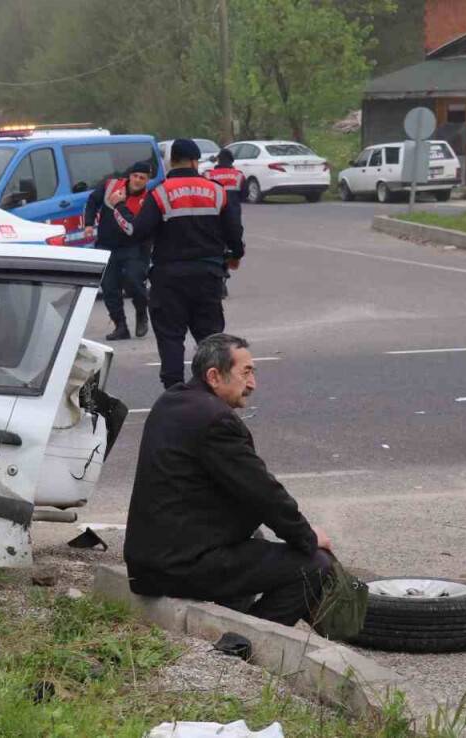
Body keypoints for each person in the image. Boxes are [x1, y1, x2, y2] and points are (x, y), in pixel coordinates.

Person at [124, 333, 335, 627]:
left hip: (151, 558)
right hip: (178, 565)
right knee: (314, 565)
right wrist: (308, 538)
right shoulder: (216, 421)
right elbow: (264, 494)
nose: (252, 384)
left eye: (253, 372)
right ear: (214, 376)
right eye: (245, 373)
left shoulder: (171, 401)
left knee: (254, 540)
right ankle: (247, 641)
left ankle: (234, 620)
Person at [108, 138, 244, 389]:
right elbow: (234, 232)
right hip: (208, 276)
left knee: (171, 339)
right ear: (195, 161)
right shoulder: (216, 191)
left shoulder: (159, 193)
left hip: (169, 280)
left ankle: (175, 395)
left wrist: (119, 207)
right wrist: (235, 256)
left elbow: (135, 231)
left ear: (171, 162)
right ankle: (211, 394)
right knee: (211, 341)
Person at [83, 160, 153, 341]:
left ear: (147, 180)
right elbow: (92, 201)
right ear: (129, 176)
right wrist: (89, 224)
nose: (137, 180)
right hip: (107, 245)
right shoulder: (111, 186)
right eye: (135, 176)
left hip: (134, 247)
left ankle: (141, 312)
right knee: (109, 287)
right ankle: (120, 326)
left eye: (142, 178)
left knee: (133, 281)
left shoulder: (149, 199)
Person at [205, 149, 246, 299]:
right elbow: (245, 195)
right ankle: (223, 278)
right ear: (232, 161)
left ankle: (219, 282)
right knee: (232, 248)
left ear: (218, 161)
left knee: (215, 249)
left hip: (214, 218)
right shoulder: (239, 176)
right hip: (234, 219)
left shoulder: (209, 175)